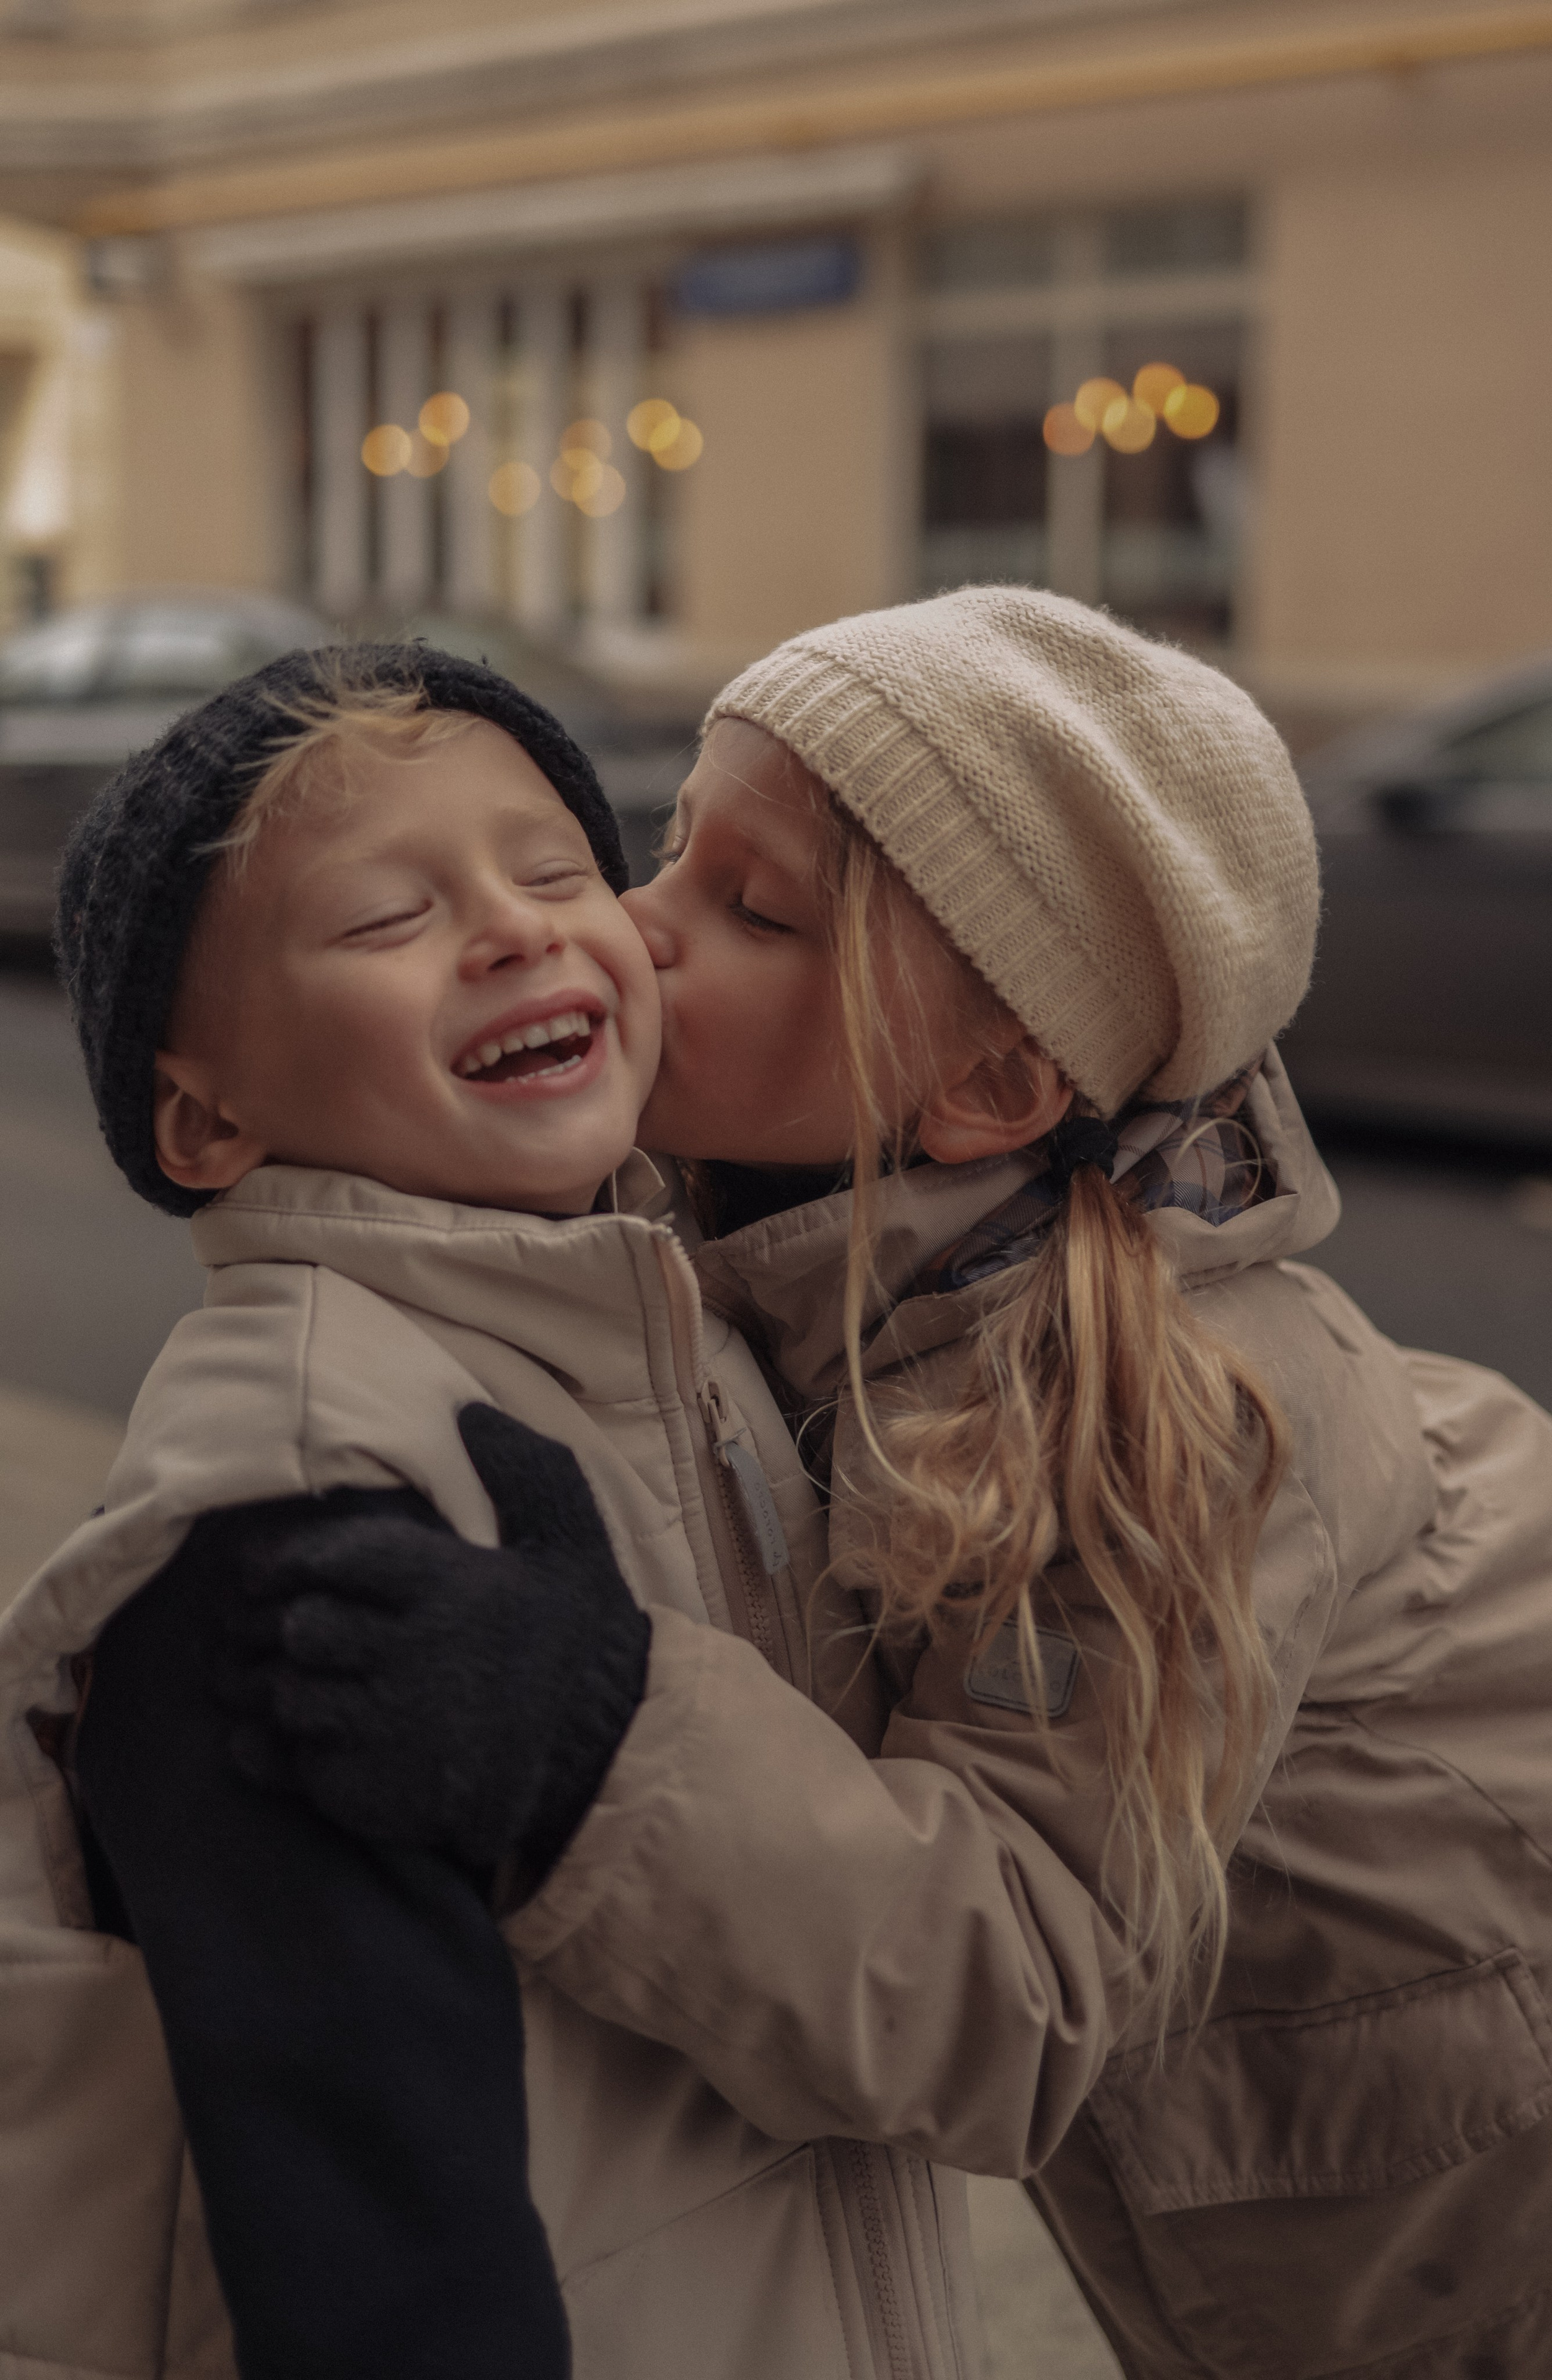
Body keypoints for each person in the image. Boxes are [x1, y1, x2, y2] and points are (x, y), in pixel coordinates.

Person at [242, 591, 1552, 2379]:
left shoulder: (1166, 1424)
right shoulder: (809, 1214)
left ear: (989, 1087)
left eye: (755, 909)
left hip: (1484, 2167)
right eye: (669, 857)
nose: (638, 931)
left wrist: (594, 1740)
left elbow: (1003, 1988)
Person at [1, 641, 959, 2380]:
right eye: (387, 919)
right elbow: (373, 2242)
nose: (519, 930)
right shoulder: (296, 1529)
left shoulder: (667, 1338)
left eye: (553, 870)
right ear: (206, 1114)